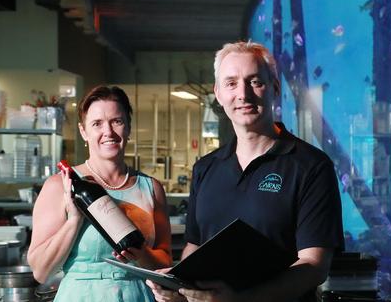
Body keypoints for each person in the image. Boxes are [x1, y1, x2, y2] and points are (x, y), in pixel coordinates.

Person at [148, 41, 344, 302]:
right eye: (231, 83)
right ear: (218, 93)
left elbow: (314, 265)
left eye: (254, 82)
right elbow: (194, 246)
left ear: (274, 87)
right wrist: (179, 287)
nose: (243, 94)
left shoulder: (311, 166)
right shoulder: (205, 168)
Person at [28, 85, 172, 301]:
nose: (109, 132)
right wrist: (74, 221)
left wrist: (143, 256)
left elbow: (166, 262)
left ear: (129, 127)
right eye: (97, 124)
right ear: (83, 131)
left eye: (117, 121)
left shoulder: (151, 188)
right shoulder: (61, 186)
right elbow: (41, 271)